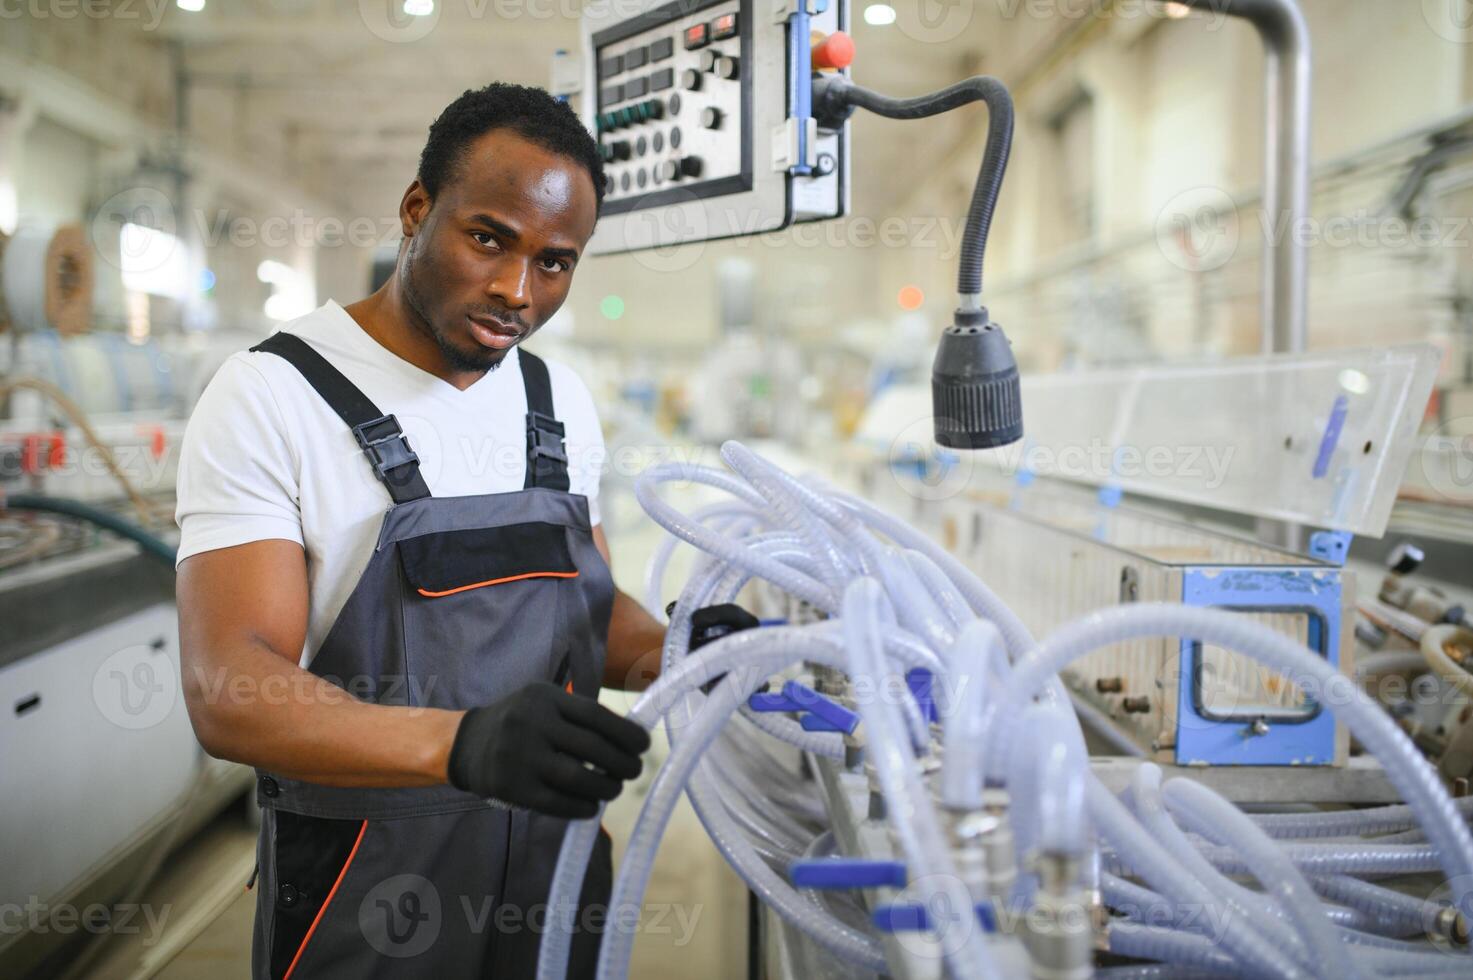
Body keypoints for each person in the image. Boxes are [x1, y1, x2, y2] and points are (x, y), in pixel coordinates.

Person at [174, 82, 752, 978]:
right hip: (364, 889)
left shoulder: (555, 402)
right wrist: (459, 745)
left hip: (554, 870)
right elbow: (229, 684)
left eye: (555, 263)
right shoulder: (272, 395)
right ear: (416, 210)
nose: (515, 291)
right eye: (489, 238)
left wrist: (684, 652)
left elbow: (584, 620)